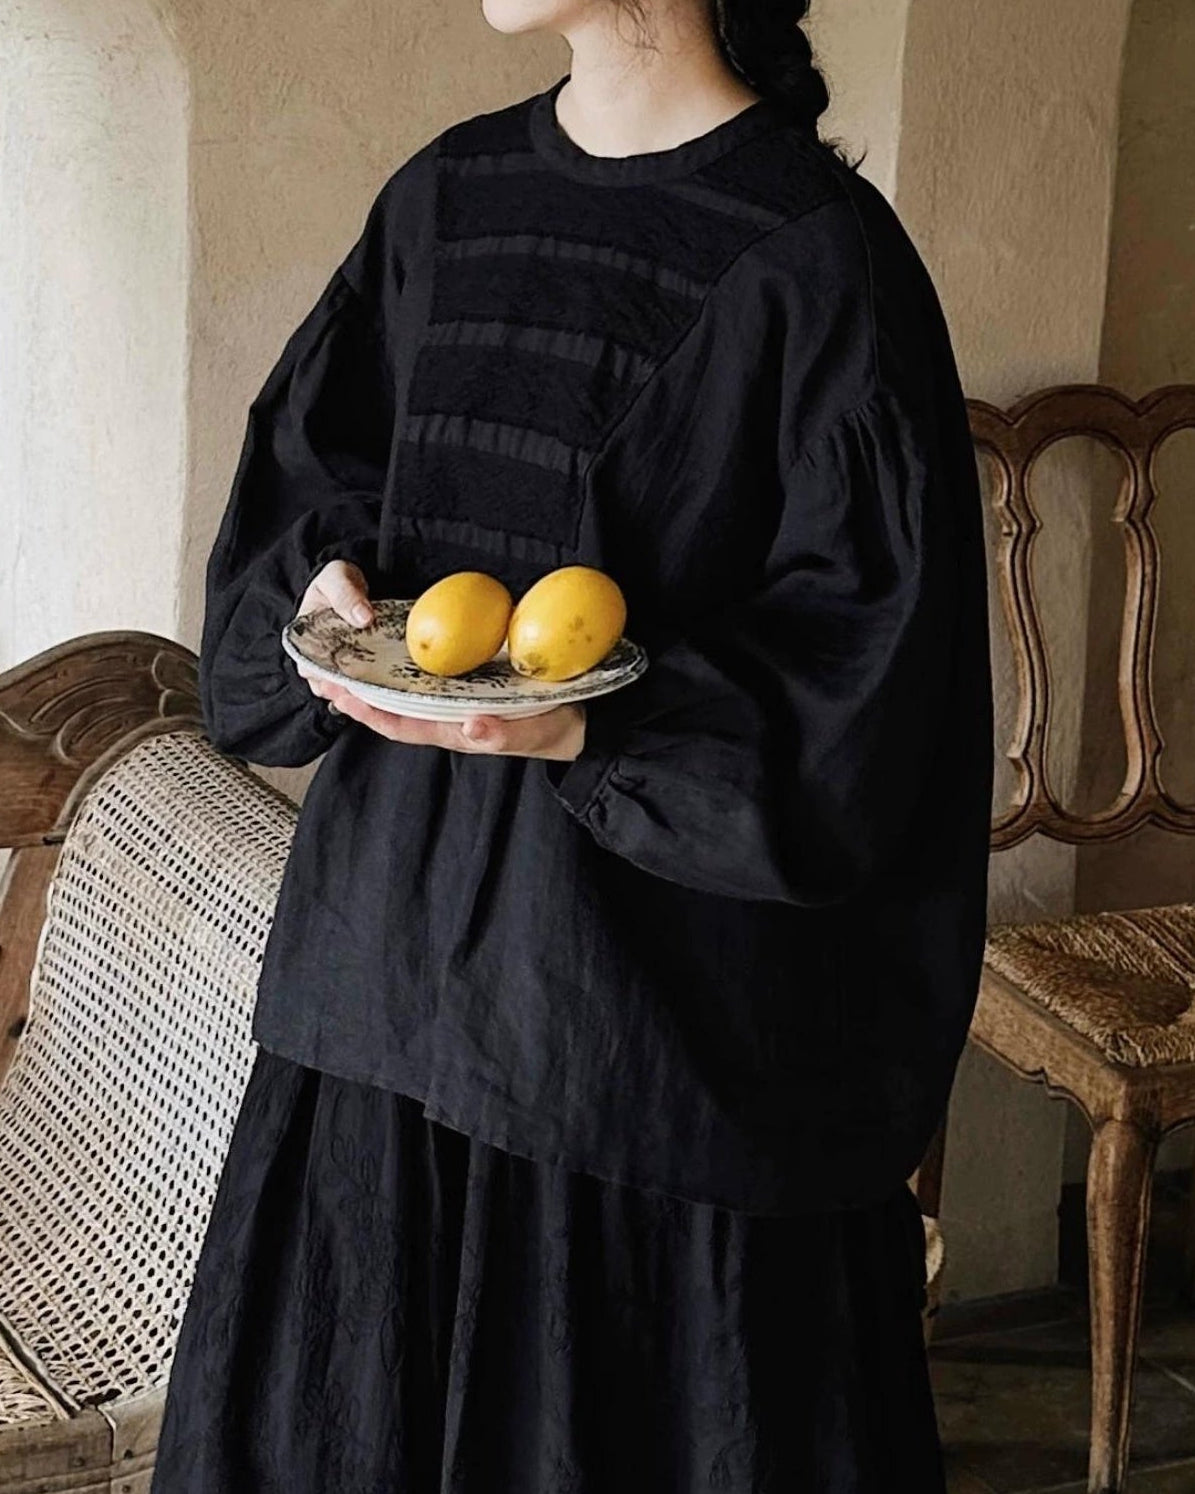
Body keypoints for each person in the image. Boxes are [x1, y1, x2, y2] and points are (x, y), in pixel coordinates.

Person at [150, 0, 994, 1489]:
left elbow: (871, 701)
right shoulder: (445, 197)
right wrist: (324, 588)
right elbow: (310, 485)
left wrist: (602, 728)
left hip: (639, 1074)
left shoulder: (822, 260)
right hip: (383, 1019)